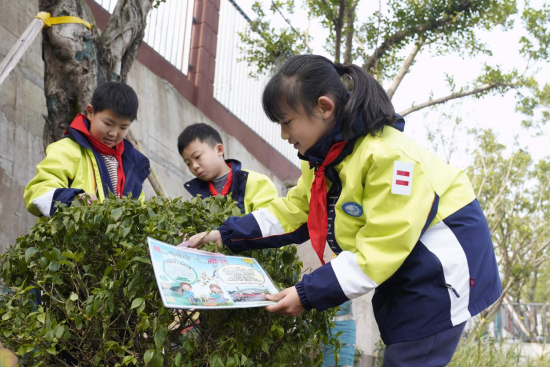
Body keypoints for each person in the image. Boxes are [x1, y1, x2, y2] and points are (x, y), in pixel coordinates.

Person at [187, 55, 502, 366]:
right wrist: (223, 234)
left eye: (286, 122)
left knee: (410, 354)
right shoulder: (322, 158)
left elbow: (381, 245)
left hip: (444, 261)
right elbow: (294, 212)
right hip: (405, 258)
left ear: (324, 108)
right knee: (400, 343)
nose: (284, 135)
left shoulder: (389, 156)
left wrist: (306, 293)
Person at [25, 82, 150, 218]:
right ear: (90, 112)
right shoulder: (66, 150)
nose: (114, 133)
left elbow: (140, 214)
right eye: (108, 124)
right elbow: (37, 192)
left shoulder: (132, 164)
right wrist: (73, 200)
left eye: (123, 127)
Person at [177, 123, 278, 214]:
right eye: (188, 163)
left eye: (197, 157)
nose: (194, 166)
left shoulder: (257, 182)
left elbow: (267, 224)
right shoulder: (197, 198)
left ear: (219, 150)